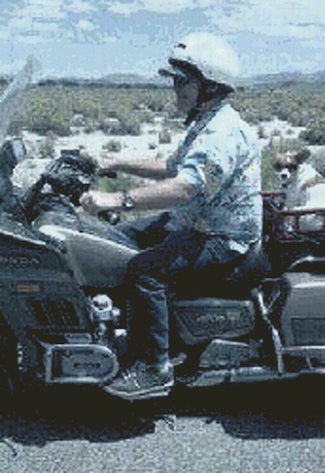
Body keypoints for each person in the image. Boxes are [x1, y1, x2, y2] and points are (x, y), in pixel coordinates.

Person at [80, 32, 262, 400]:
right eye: (175, 81)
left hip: (221, 237)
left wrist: (116, 199)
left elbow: (184, 188)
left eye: (183, 82)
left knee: (146, 270)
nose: (175, 89)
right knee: (118, 240)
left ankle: (154, 366)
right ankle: (118, 329)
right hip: (191, 222)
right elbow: (169, 166)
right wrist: (111, 161)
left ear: (208, 86)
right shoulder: (205, 122)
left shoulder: (222, 133)